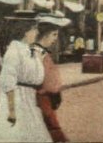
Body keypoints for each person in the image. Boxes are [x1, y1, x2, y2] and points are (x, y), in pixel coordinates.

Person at [0, 10, 51, 143]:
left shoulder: (31, 50)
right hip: (17, 102)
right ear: (25, 31)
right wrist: (11, 111)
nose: (37, 33)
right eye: (34, 29)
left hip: (30, 101)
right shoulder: (13, 51)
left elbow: (38, 76)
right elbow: (8, 83)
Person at [34, 12, 71, 143]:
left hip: (48, 97)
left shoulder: (43, 52)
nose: (56, 38)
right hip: (41, 97)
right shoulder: (36, 53)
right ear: (45, 34)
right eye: (54, 34)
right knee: (52, 127)